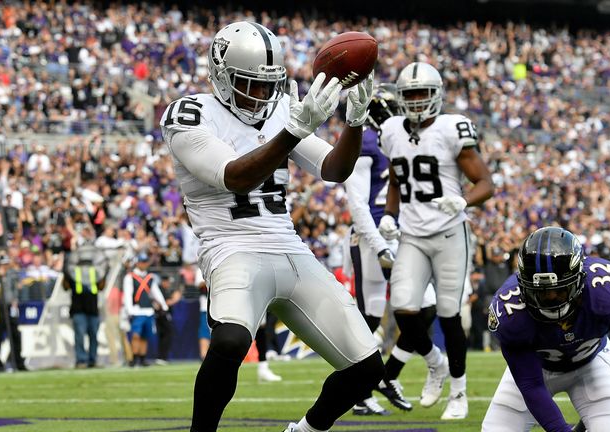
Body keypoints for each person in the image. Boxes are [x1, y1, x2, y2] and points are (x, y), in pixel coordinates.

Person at [160, 21, 383, 432]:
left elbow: (334, 168)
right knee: (229, 342)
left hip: (289, 247)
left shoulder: (280, 108)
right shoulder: (190, 114)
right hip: (232, 248)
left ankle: (305, 430)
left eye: (268, 85)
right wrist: (294, 129)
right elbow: (235, 176)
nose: (261, 95)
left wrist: (355, 121)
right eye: (250, 84)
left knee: (368, 369)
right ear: (221, 75)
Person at [377, 62, 494, 420]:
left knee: (447, 314)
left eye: (420, 94)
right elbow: (397, 179)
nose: (414, 102)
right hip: (412, 234)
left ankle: (458, 392)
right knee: (404, 309)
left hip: (449, 233)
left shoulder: (451, 129)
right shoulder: (391, 129)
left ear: (436, 96)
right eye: (408, 95)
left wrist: (463, 200)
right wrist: (388, 214)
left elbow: (486, 184)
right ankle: (435, 364)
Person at [481, 227, 610, 432]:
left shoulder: (603, 288)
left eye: (559, 290)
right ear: (523, 286)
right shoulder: (510, 311)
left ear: (579, 279)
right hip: (537, 370)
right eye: (540, 292)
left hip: (591, 366)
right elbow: (531, 387)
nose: (550, 299)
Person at [343, 83, 437, 415]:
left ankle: (386, 377)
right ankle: (360, 390)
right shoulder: (365, 143)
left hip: (400, 234)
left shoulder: (401, 142)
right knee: (369, 319)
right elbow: (358, 205)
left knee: (425, 309)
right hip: (372, 239)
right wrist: (380, 244)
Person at [62, 246, 107, 368]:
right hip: (78, 309)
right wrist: (65, 272)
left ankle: (92, 360)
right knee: (80, 336)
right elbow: (65, 286)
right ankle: (81, 360)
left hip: (92, 309)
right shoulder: (73, 271)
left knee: (93, 336)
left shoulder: (96, 271)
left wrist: (104, 273)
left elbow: (101, 286)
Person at [122, 252, 168, 367]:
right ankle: (134, 358)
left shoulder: (150, 277)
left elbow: (155, 291)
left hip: (148, 310)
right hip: (137, 310)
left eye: (145, 262)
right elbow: (127, 294)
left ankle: (142, 358)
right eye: (141, 262)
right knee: (136, 334)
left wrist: (163, 304)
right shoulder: (130, 277)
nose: (143, 264)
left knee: (145, 336)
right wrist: (129, 308)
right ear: (137, 263)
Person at [155, 274, 182, 365]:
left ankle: (162, 357)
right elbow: (163, 303)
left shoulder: (164, 290)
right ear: (164, 281)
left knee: (165, 335)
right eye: (168, 282)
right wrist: (175, 299)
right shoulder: (160, 290)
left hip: (164, 315)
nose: (169, 284)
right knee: (167, 334)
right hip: (162, 316)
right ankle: (161, 357)